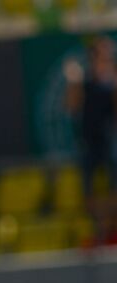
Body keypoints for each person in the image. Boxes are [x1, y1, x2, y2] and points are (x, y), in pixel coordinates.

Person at [65, 36, 117, 243]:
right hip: (89, 143)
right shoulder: (83, 83)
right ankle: (98, 228)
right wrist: (72, 82)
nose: (102, 59)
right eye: (97, 55)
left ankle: (109, 227)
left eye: (106, 55)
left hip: (111, 142)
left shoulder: (113, 84)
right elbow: (71, 106)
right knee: (88, 190)